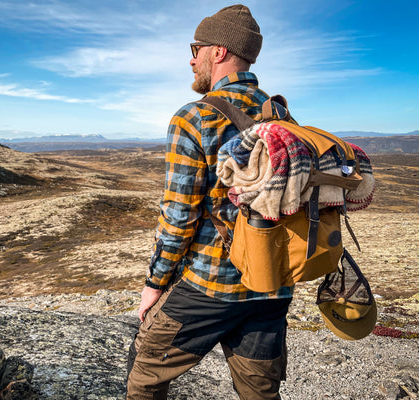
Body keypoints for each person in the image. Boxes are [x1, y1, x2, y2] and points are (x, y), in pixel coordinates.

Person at [126, 4, 295, 400]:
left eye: (195, 48)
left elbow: (180, 215)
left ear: (218, 52)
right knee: (260, 392)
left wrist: (154, 284)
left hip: (211, 285)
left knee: (144, 377)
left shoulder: (195, 116)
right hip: (272, 284)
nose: (191, 59)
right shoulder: (282, 113)